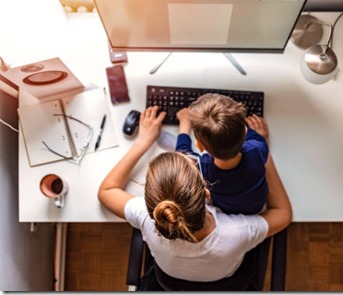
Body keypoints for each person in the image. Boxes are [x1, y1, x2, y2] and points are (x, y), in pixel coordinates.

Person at [98, 106, 292, 283]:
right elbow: (283, 213)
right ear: (207, 192)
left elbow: (106, 191)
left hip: (168, 279)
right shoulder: (238, 231)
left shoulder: (148, 219)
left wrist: (143, 141)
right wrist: (262, 154)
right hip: (225, 279)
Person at [175, 93, 269, 215]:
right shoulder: (257, 147)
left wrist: (184, 124)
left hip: (226, 209)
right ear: (245, 134)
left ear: (200, 146)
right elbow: (248, 133)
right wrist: (260, 135)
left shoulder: (203, 169)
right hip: (256, 205)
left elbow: (182, 155)